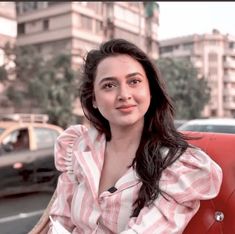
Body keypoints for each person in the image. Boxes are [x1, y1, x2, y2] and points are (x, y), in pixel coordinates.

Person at [48, 38, 222, 233]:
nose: (124, 94)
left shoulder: (176, 166)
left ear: (150, 91)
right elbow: (59, 221)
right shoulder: (79, 147)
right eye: (108, 85)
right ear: (94, 99)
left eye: (134, 81)